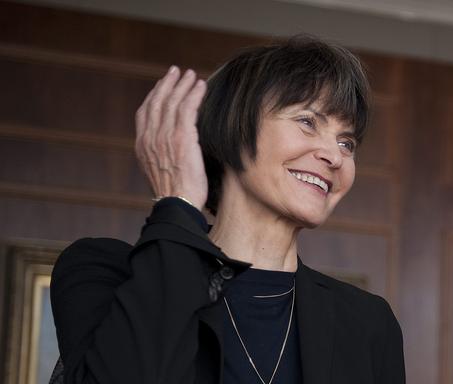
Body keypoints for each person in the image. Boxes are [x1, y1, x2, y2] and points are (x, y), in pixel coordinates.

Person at [49, 37, 405, 383]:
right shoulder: (104, 274)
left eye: (347, 142)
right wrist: (177, 204)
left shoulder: (369, 322)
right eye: (308, 122)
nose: (335, 156)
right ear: (233, 127)